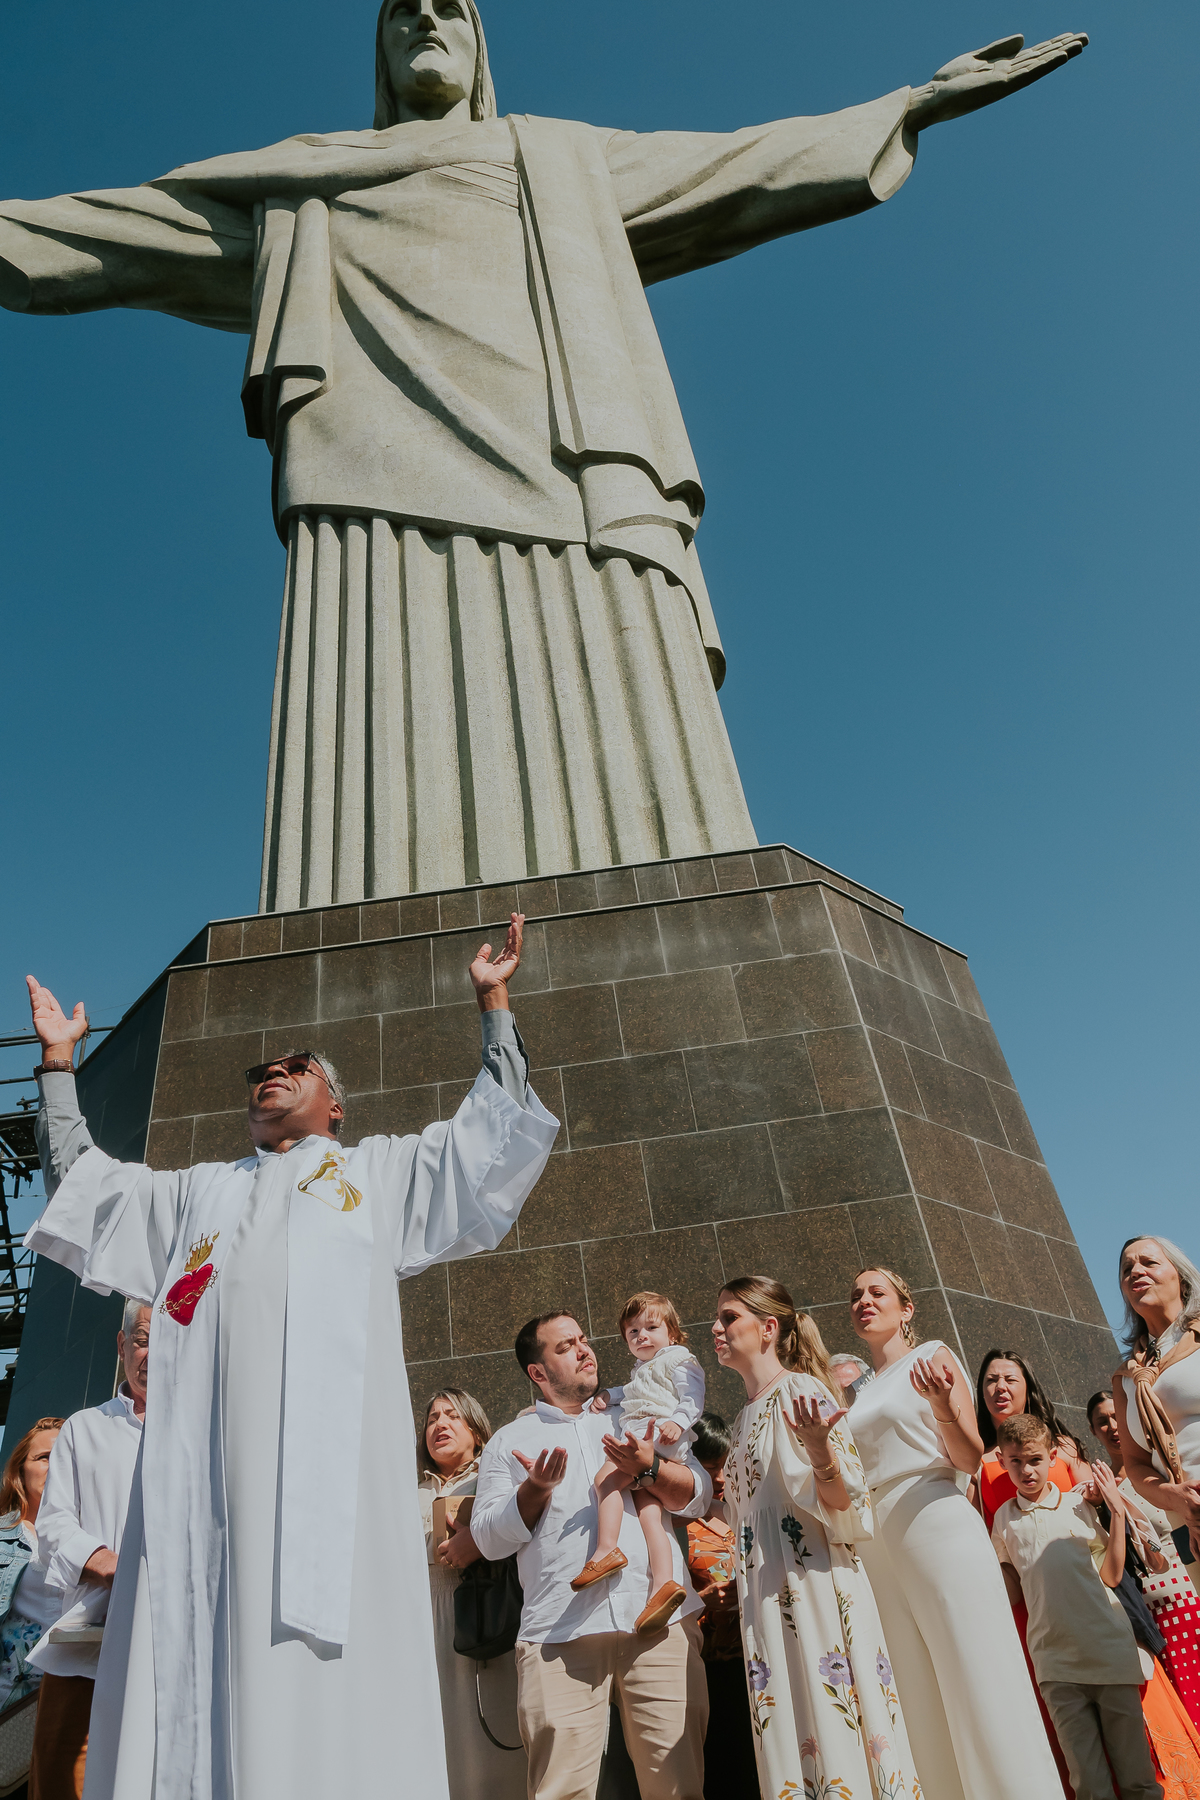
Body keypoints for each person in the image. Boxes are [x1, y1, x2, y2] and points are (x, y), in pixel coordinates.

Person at [0, 11, 1085, 910]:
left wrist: (908, 105)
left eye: (450, 7)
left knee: (627, 701)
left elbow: (744, 165)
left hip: (575, 466)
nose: (427, 16)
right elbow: (95, 235)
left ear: (479, 48)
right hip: (370, 490)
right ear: (380, 56)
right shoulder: (297, 183)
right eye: (402, 11)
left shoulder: (562, 158)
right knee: (385, 710)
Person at [22, 914, 558, 1800]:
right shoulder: (197, 1193)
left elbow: (486, 1139)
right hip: (198, 1509)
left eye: (295, 1068)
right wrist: (55, 1067)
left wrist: (493, 1001)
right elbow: (85, 1188)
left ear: (335, 1105)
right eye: (259, 1072)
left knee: (314, 1695)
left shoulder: (374, 1177)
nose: (271, 1074)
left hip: (321, 1509)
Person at [471, 1310, 711, 1800]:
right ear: (538, 1373)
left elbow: (699, 1495)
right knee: (559, 1792)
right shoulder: (508, 1441)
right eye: (565, 1347)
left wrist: (648, 1469)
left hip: (658, 1625)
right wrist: (534, 1489)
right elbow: (489, 1538)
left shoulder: (640, 1414)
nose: (584, 1350)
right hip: (559, 1632)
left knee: (678, 1790)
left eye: (583, 1339)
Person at [847, 1266, 1062, 1800]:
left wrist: (943, 1406)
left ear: (907, 1308)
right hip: (878, 1543)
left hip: (932, 1514)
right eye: (855, 1296)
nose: (864, 1301)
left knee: (976, 1672)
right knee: (915, 1689)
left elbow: (968, 1454)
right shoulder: (860, 1393)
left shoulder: (933, 1355)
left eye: (878, 1293)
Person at [714, 1275, 922, 1800]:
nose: (716, 1329)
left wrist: (820, 1451)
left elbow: (849, 1507)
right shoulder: (739, 1424)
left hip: (813, 1587)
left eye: (729, 1318)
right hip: (762, 1595)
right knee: (784, 1717)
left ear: (768, 1328)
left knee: (828, 1712)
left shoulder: (802, 1391)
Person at [992, 1412, 1163, 1800]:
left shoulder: (1080, 1504)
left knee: (1138, 1779)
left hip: (1110, 1654)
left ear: (1053, 1457)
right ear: (1001, 1461)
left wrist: (1115, 1509)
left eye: (1034, 1459)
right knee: (1088, 1785)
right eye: (1015, 1461)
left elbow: (1113, 1575)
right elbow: (1011, 1592)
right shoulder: (1002, 1520)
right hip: (1056, 1667)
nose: (1026, 1470)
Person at [25, 1301, 149, 1800]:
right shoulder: (84, 1428)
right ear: (121, 1347)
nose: (154, 1353)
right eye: (142, 1338)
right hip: (87, 1648)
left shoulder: (206, 1430)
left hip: (177, 1648)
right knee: (62, 1781)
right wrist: (108, 1565)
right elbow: (53, 1524)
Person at [971, 1346, 1090, 1796]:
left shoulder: (1065, 1450)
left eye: (1010, 1379)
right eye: (990, 1380)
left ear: (1028, 1387)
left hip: (1088, 1596)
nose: (999, 1388)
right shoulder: (977, 1465)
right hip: (1027, 1610)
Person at [416, 1388, 525, 1800]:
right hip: (425, 1617)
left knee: (496, 1724)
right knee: (441, 1733)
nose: (440, 1424)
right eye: (431, 1419)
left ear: (477, 1431)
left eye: (452, 1416)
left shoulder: (496, 1477)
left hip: (489, 1609)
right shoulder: (404, 1488)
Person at [573, 1292, 703, 1634]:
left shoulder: (678, 1358)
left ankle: (606, 1549)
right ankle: (664, 1584)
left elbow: (693, 1395)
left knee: (605, 1481)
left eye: (651, 1327)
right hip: (652, 1442)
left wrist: (679, 1420)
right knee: (650, 1514)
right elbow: (629, 1390)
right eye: (633, 1332)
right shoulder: (643, 1370)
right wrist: (607, 1396)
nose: (641, 1335)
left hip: (657, 1435)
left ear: (672, 1333)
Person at [1091, 1388, 1200, 1732]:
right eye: (1101, 1422)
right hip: (1156, 1607)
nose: (1111, 1426)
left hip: (1189, 1585)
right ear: (1094, 1432)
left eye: (1115, 1417)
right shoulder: (1103, 1489)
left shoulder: (1159, 1469)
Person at [1113, 1237, 1200, 1590]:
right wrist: (1178, 1500)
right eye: (1126, 1269)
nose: (1136, 1271)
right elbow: (1135, 1464)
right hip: (1186, 1525)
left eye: (1148, 1262)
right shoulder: (1126, 1378)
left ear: (1180, 1276)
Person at [683, 1411, 759, 1800]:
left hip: (760, 1665)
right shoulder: (676, 1523)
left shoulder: (747, 1510)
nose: (718, 1478)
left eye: (724, 1467)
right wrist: (701, 1602)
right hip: (707, 1672)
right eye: (707, 1468)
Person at [0, 1420, 64, 1717]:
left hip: (75, 1698)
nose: (56, 1464)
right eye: (43, 1457)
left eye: (65, 1455)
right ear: (19, 1471)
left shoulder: (102, 1538)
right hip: (9, 1704)